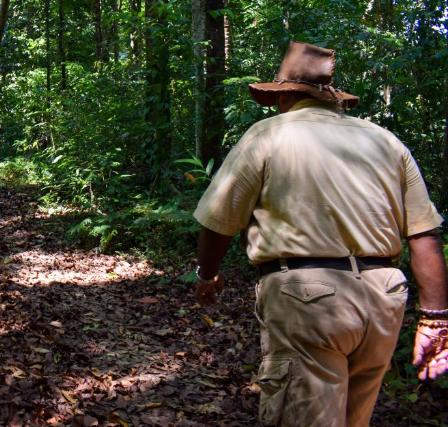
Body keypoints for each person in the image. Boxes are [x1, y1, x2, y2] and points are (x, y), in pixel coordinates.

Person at [191, 41, 448, 426]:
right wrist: (436, 319)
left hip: (307, 299)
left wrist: (207, 275)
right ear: (331, 97)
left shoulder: (268, 135)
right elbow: (424, 234)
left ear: (286, 95)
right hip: (384, 297)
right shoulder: (385, 141)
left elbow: (218, 220)